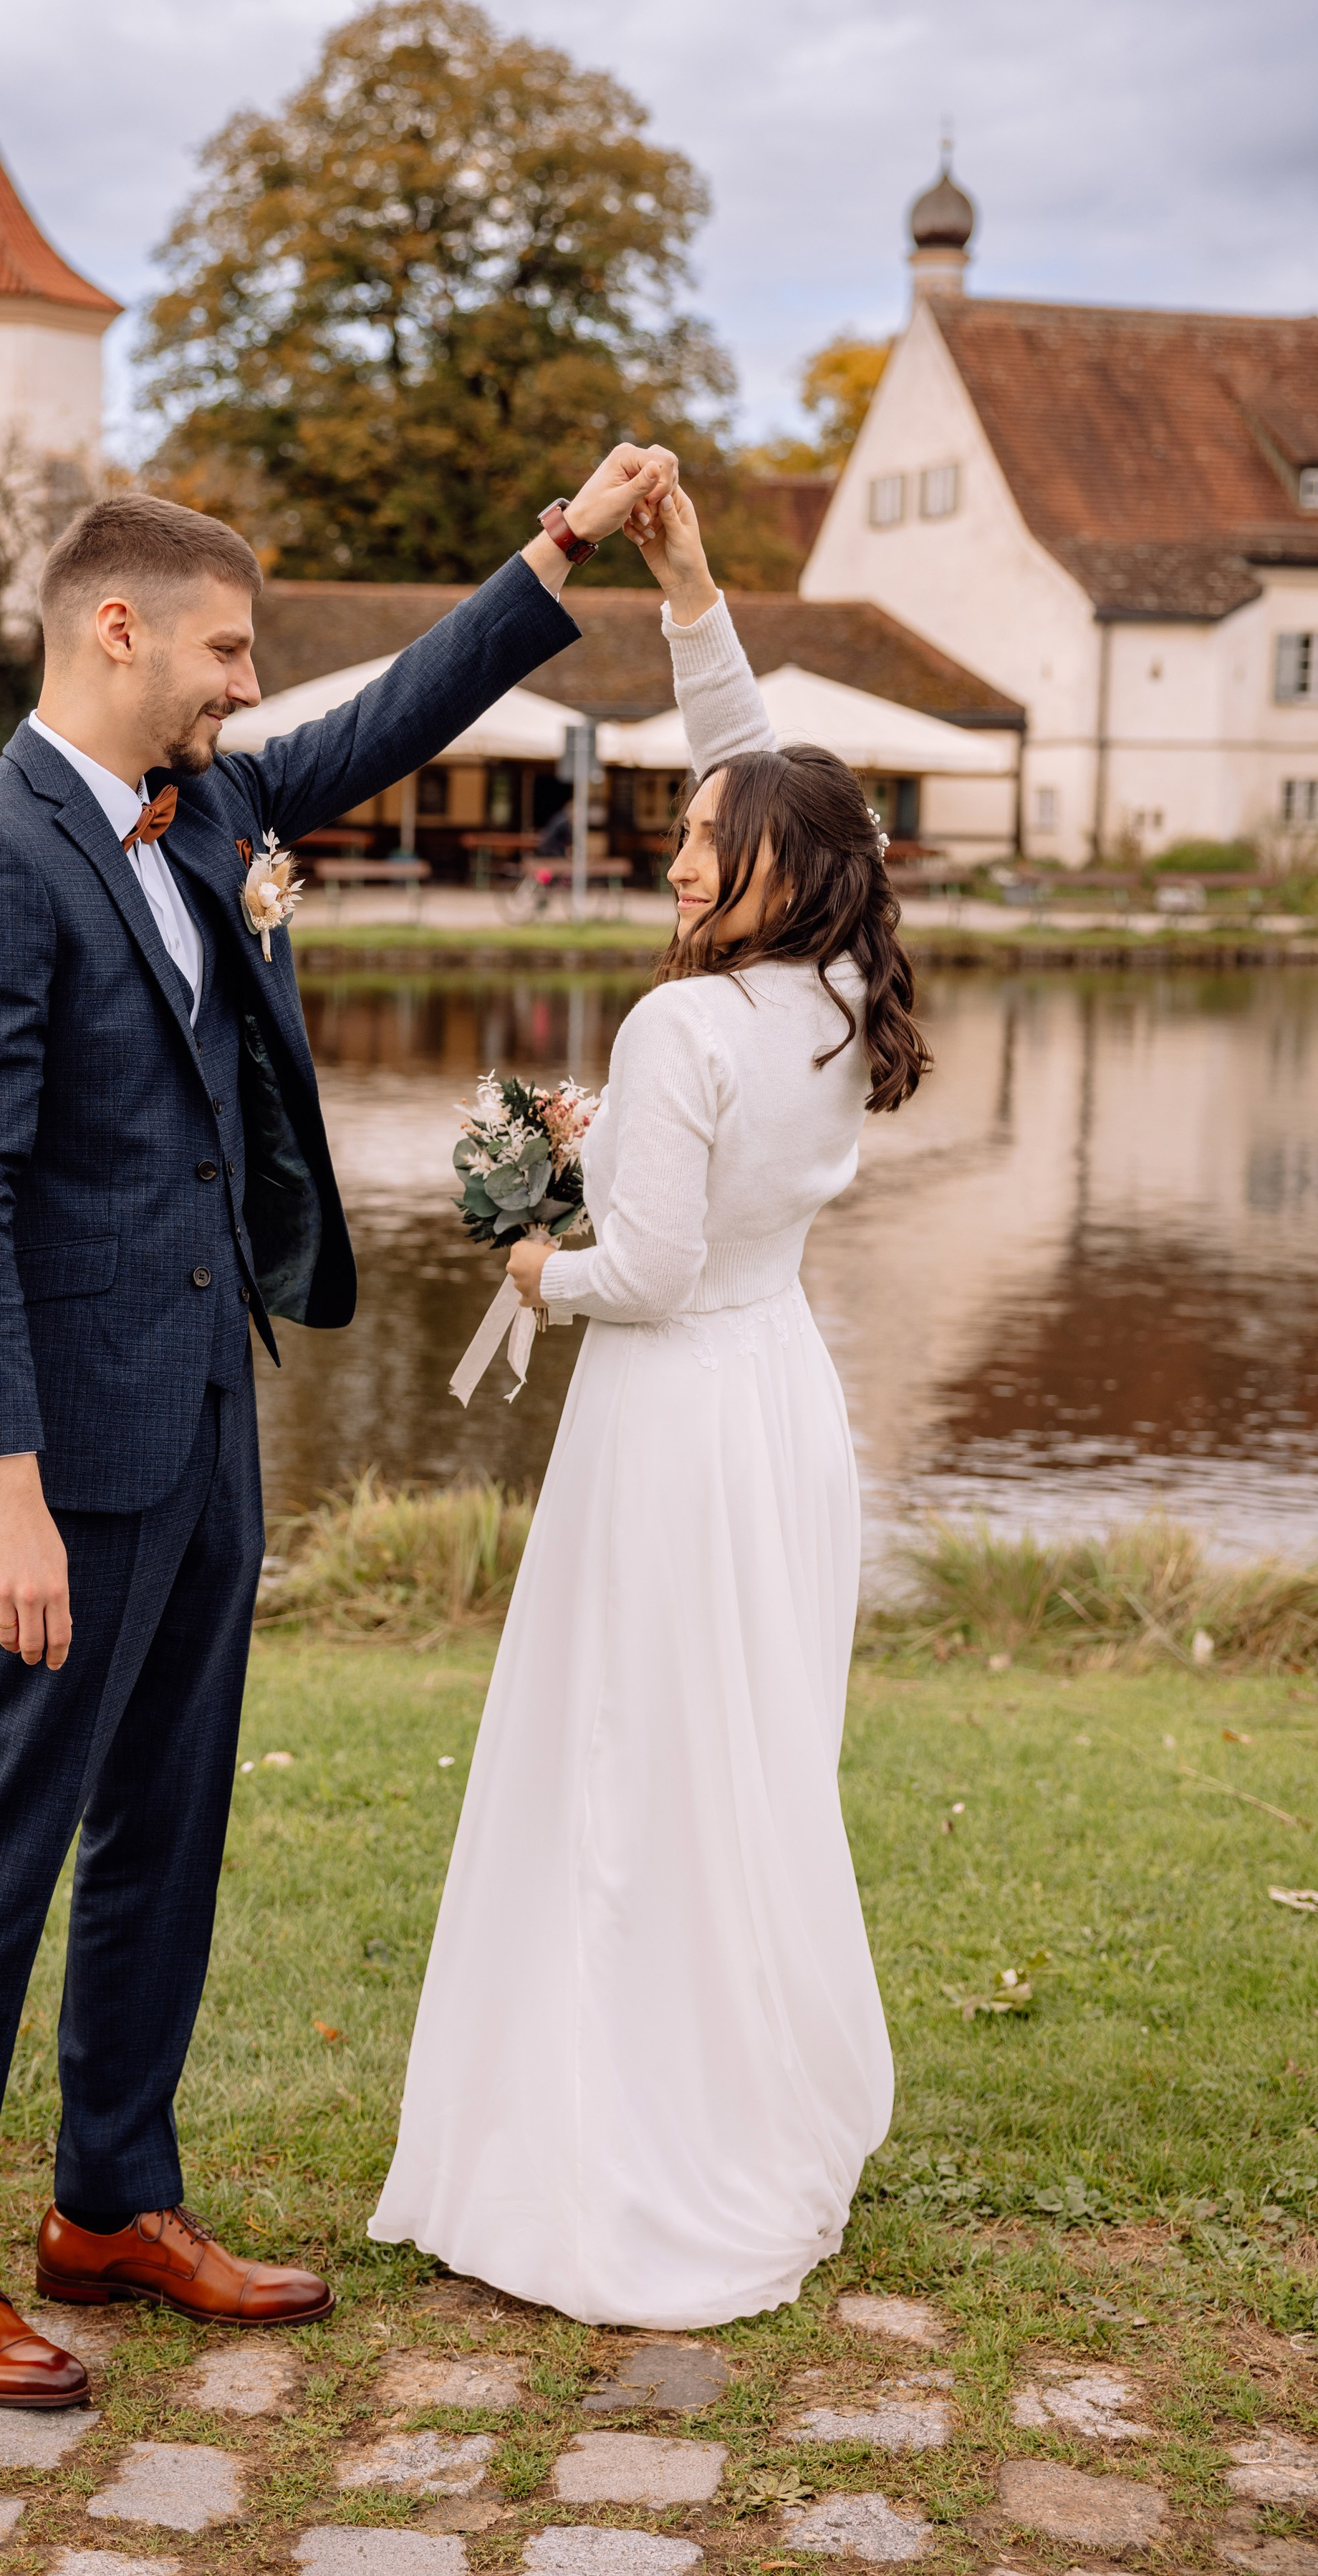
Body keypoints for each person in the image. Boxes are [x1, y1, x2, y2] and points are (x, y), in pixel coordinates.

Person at [0, 452, 681, 2406]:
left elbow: (392, 714)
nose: (243, 685)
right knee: (12, 1836)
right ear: (114, 628)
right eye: (223, 648)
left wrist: (554, 548)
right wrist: (3, 1487)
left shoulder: (212, 799)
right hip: (63, 1458)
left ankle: (114, 2199)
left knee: (172, 1825)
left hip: (213, 1417)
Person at [368, 485, 930, 2328]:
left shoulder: (683, 1026)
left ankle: (619, 2142)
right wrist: (691, 595)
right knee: (739, 1758)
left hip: (671, 1410)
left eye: (706, 838)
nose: (681, 851)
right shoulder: (838, 987)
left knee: (623, 1758)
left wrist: (536, 1262)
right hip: (778, 1406)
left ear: (784, 865)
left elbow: (650, 1277)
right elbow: (768, 766)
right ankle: (738, 2083)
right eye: (682, 829)